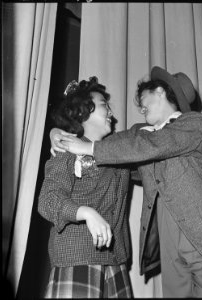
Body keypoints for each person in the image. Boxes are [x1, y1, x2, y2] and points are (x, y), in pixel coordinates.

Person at [50, 66, 202, 298]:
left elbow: (150, 146)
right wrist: (57, 132)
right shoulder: (139, 134)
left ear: (159, 91)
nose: (140, 107)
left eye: (143, 99)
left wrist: (87, 148)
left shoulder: (193, 123)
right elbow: (110, 144)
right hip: (169, 248)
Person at [38, 76, 132, 298]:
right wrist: (86, 213)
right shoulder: (66, 151)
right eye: (104, 106)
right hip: (77, 258)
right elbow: (48, 200)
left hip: (116, 261)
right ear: (83, 113)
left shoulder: (118, 149)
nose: (111, 112)